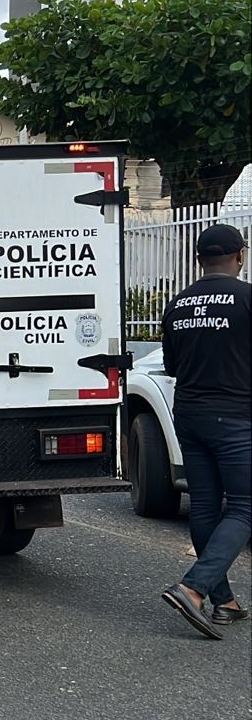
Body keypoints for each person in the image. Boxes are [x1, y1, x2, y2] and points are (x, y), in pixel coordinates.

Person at [159, 223, 251, 639]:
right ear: (240, 255)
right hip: (234, 417)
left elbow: (173, 367)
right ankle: (193, 587)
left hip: (190, 414)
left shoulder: (177, 305)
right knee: (246, 507)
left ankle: (224, 603)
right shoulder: (247, 299)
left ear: (199, 260)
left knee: (205, 508)